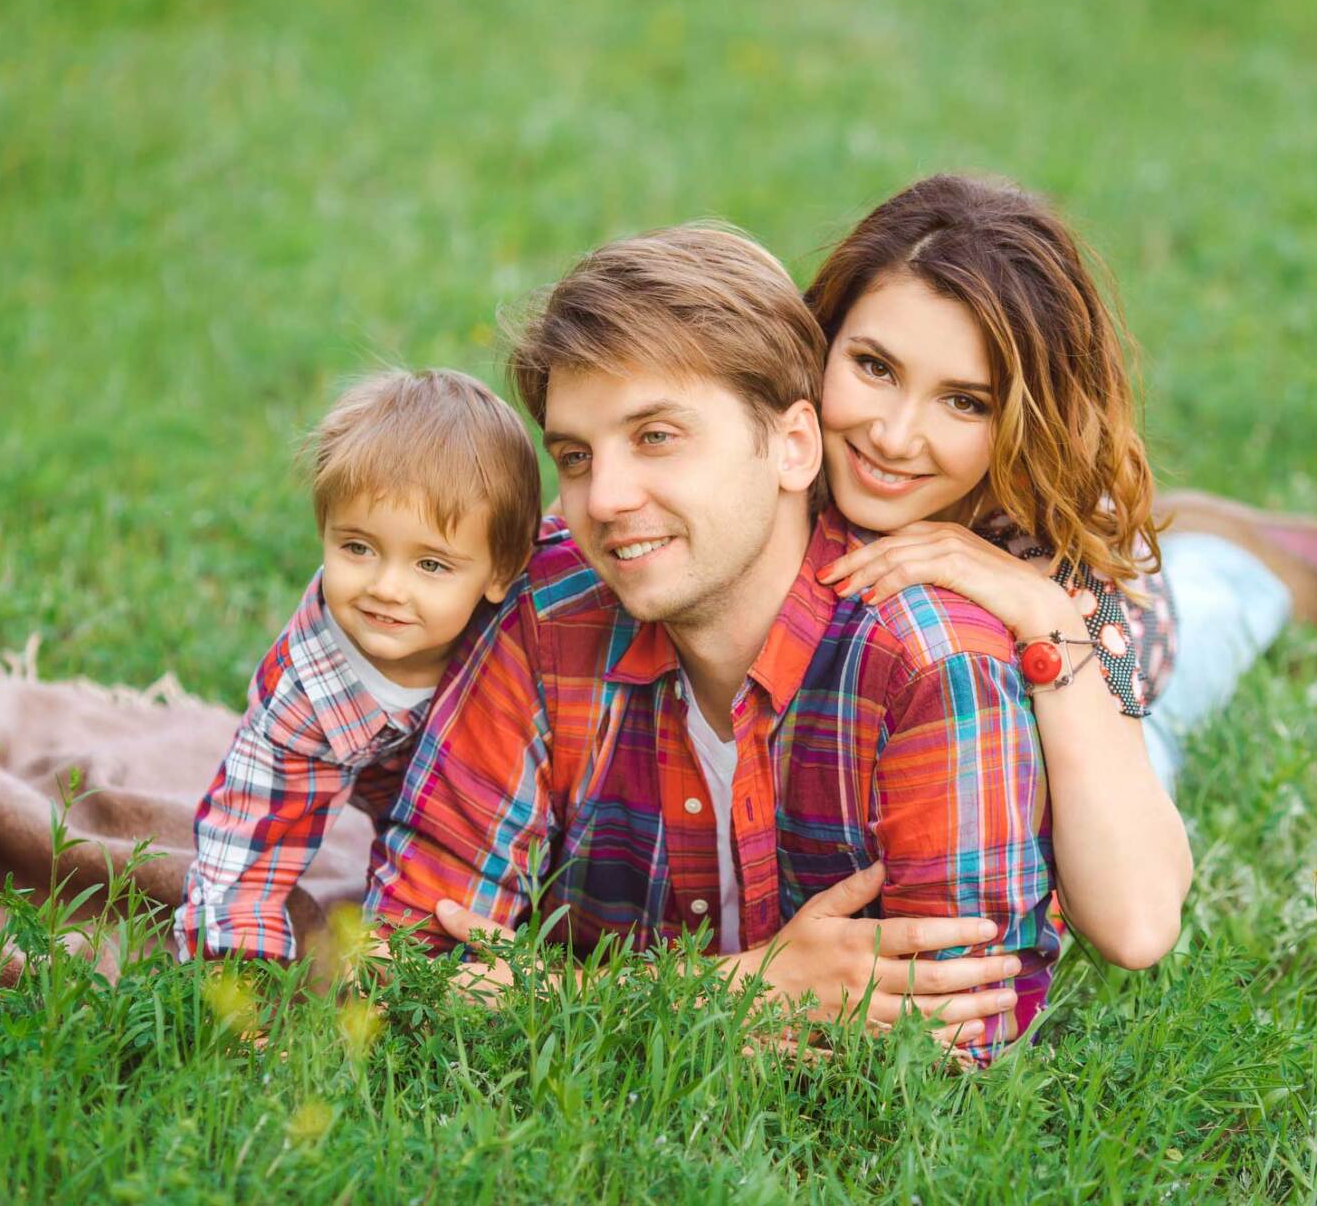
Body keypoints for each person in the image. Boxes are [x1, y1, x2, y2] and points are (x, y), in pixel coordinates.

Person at [367, 227, 1050, 1061]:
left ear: (794, 446)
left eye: (657, 436)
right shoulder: (548, 614)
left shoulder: (931, 662)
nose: (605, 500)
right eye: (576, 457)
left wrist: (541, 997)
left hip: (1083, 660)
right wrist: (744, 995)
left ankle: (1227, 555)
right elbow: (399, 970)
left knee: (1194, 625)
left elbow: (957, 1041)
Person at [806, 174, 1317, 963]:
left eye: (965, 402)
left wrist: (1047, 613)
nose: (893, 435)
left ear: (1025, 419)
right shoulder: (785, 441)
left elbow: (1137, 927)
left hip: (1117, 669)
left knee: (1200, 654)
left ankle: (1237, 564)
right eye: (875, 367)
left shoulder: (1053, 557)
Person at [175, 368, 541, 961]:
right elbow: (243, 858)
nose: (386, 588)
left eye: (431, 565)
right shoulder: (305, 694)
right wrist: (238, 990)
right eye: (357, 548)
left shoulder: (528, 625)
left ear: (501, 571)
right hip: (393, 792)